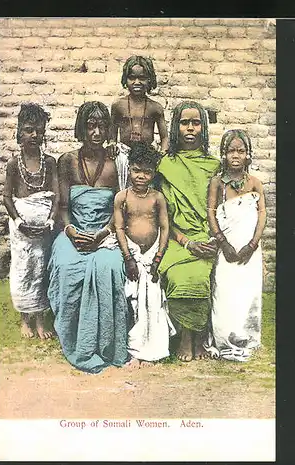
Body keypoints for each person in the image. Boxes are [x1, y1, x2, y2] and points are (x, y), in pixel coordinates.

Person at [47, 101, 128, 374]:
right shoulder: (67, 161)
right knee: (68, 267)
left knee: (110, 267)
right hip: (73, 231)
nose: (96, 132)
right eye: (91, 126)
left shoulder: (117, 163)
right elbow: (63, 207)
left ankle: (106, 342)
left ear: (108, 129)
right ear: (81, 128)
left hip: (106, 232)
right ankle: (74, 338)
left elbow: (120, 207)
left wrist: (103, 233)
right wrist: (70, 231)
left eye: (101, 126)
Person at [157, 101, 220, 362]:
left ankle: (199, 338)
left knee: (202, 273)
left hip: (208, 237)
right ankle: (185, 338)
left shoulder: (214, 165)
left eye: (196, 123)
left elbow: (220, 210)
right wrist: (186, 243)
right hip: (176, 238)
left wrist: (214, 239)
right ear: (176, 127)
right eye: (185, 123)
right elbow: (162, 216)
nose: (190, 128)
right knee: (180, 274)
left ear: (203, 129)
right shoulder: (165, 166)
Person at [114, 142, 176, 367]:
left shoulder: (157, 198)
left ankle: (153, 351)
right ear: (128, 168)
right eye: (136, 170)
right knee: (134, 302)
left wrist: (157, 258)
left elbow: (165, 228)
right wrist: (129, 258)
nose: (141, 176)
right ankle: (134, 350)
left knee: (153, 301)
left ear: (154, 173)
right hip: (132, 254)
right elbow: (119, 228)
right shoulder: (122, 197)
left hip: (151, 257)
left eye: (147, 171)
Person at [207, 129, 266, 362]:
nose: (236, 155)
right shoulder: (217, 183)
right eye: (231, 150)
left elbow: (262, 215)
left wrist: (252, 244)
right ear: (223, 154)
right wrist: (223, 242)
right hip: (227, 247)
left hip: (249, 248)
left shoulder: (255, 183)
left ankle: (245, 337)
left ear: (248, 155)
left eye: (241, 151)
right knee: (224, 290)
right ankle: (224, 338)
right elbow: (211, 213)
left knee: (246, 292)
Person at [3, 103, 59, 340]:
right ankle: (25, 318)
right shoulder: (14, 165)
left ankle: (40, 319)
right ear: (19, 133)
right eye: (28, 130)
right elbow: (7, 198)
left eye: (38, 130)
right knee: (23, 269)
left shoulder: (50, 163)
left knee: (40, 269)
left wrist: (49, 221)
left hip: (44, 228)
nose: (34, 135)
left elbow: (56, 197)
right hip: (22, 230)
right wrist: (18, 222)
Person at [108, 55, 169, 188]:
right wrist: (112, 143)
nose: (137, 82)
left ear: (150, 80)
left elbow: (164, 137)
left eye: (142, 78)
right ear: (125, 79)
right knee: (123, 187)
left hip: (147, 155)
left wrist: (162, 154)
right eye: (132, 78)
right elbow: (112, 134)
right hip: (124, 154)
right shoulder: (118, 105)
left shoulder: (155, 107)